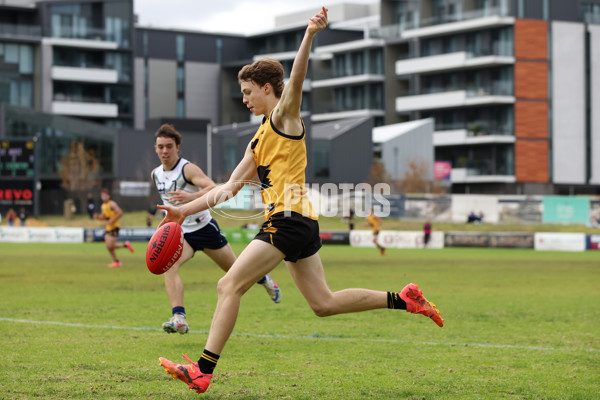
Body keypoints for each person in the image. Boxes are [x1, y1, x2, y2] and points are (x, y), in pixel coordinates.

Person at [156, 7, 443, 394]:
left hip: (288, 219)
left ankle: (203, 370)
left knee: (228, 286)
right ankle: (404, 299)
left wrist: (309, 34)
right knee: (323, 303)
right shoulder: (257, 139)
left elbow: (296, 80)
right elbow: (227, 189)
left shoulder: (283, 118)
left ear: (267, 89)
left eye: (247, 91)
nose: (243, 99)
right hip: (297, 221)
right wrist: (181, 212)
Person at [151, 123, 281, 335]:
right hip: (182, 234)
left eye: (169, 146)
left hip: (205, 228)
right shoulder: (155, 174)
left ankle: (264, 279)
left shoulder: (187, 169)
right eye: (161, 147)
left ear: (177, 148)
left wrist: (191, 197)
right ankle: (179, 317)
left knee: (236, 270)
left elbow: (212, 187)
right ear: (156, 149)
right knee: (168, 266)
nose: (165, 151)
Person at [94, 188, 134, 268]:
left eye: (105, 195)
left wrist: (112, 220)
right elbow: (105, 217)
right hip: (108, 227)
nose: (103, 197)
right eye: (102, 195)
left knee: (110, 246)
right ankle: (117, 261)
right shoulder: (103, 206)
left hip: (114, 227)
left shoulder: (112, 204)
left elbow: (120, 213)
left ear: (108, 196)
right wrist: (98, 217)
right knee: (109, 246)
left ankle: (123, 249)